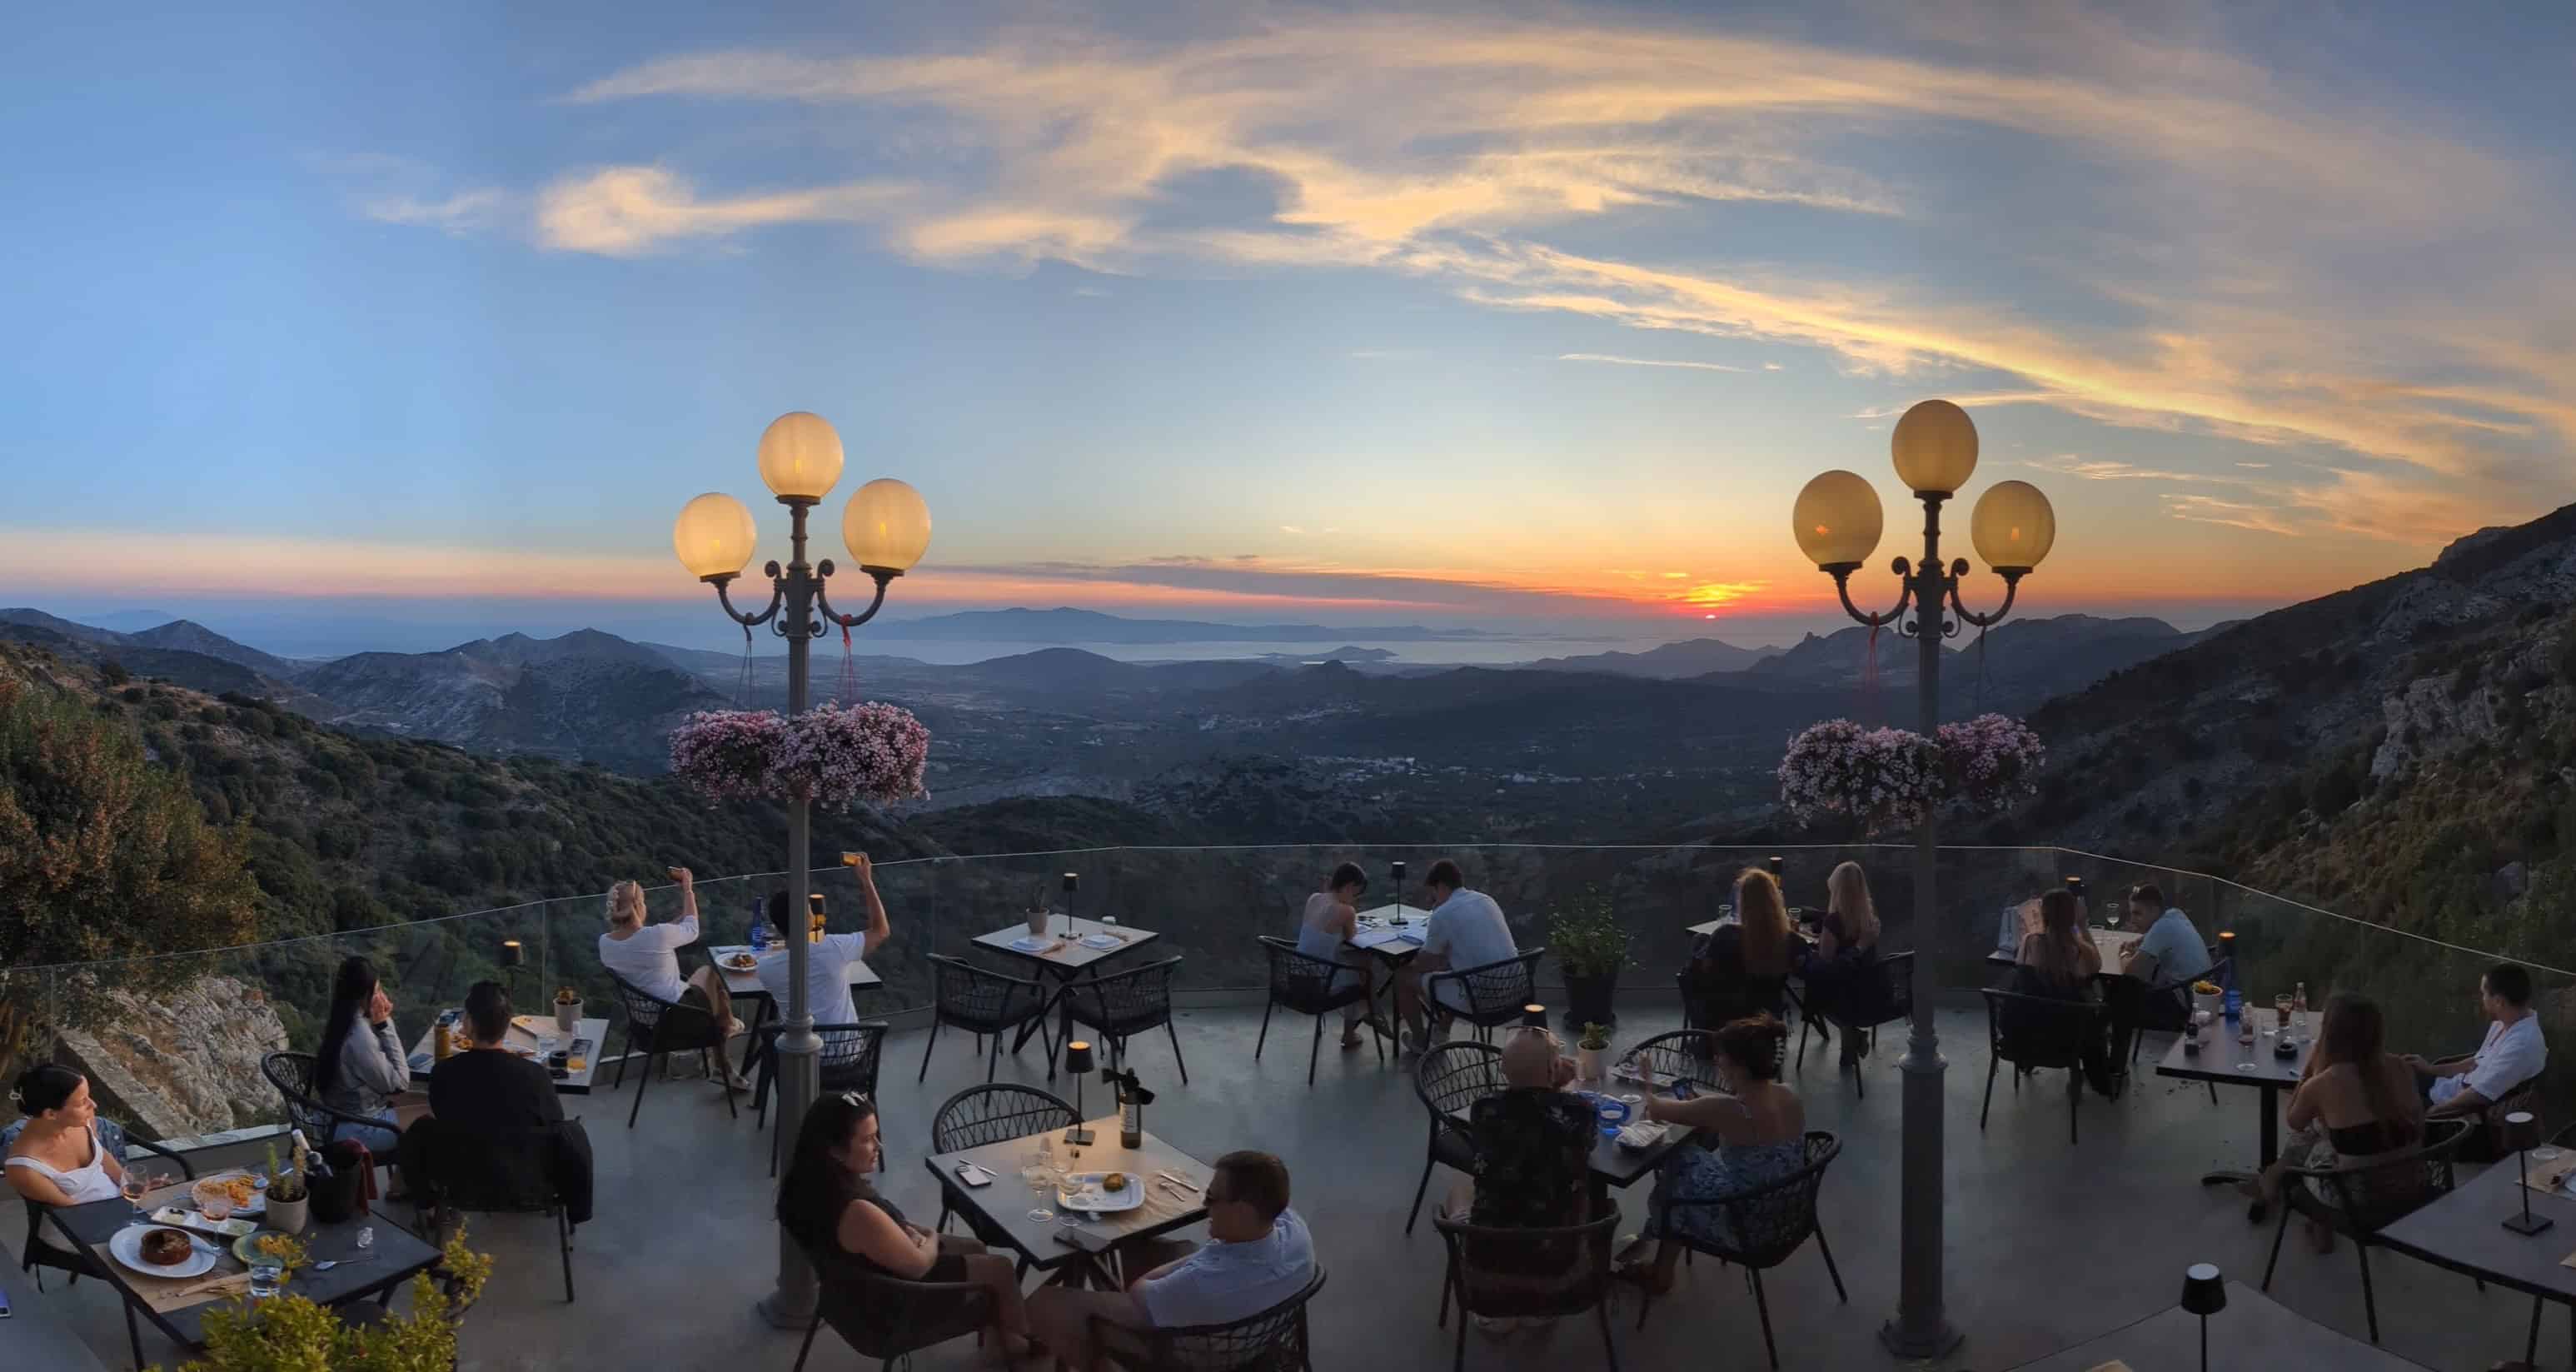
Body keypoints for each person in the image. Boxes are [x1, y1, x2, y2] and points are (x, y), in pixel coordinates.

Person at [775, 1092, 1035, 1366]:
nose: (879, 1145)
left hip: (845, 1295)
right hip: (890, 1311)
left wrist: (907, 1232)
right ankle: (1020, 1347)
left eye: (876, 1134)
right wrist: (931, 1237)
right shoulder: (855, 1212)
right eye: (867, 1139)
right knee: (1001, 1269)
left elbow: (877, 1235)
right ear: (835, 1150)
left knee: (975, 1248)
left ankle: (1001, 1335)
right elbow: (919, 1266)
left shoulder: (810, 1187)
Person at [1026, 1150, 1314, 1372]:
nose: (1205, 1205)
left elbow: (1140, 1289)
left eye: (1212, 1198)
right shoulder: (1296, 1234)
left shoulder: (1201, 1283)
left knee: (1046, 1304)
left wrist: (1189, 1263)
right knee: (1141, 1243)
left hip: (1192, 1351)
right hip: (1252, 1335)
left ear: (1242, 1210)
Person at [1619, 1015, 1806, 1293]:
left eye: (1721, 1057)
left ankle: (1660, 1266)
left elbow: (1655, 1109)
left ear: (1739, 1066)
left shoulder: (1728, 1109)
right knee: (1687, 1161)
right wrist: (1703, 1109)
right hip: (1788, 1210)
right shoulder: (1789, 1093)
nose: (1717, 1061)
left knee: (1678, 1163)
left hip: (1747, 1225)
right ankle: (1658, 1245)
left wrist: (1646, 1077)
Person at [2242, 995, 2420, 1249]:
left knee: (2306, 1135)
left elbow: (2294, 1120)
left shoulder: (2324, 1083)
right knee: (2328, 1131)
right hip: (2412, 1187)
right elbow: (2420, 1127)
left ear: (2329, 1034)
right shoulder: (2401, 1066)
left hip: (2356, 1200)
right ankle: (2275, 1182)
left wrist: (2309, 1071)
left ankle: (2275, 1184)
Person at [1447, 1026, 1594, 1336]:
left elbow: (1523, 1121)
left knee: (1460, 1185)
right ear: (1554, 1069)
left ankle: (1500, 1310)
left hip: (1490, 1259)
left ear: (1503, 1069)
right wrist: (1557, 1085)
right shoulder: (1581, 1112)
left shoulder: (1484, 1109)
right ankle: (1540, 1307)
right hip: (1557, 1263)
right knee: (1583, 1191)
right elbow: (1568, 1135)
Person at [411, 980, 595, 1226]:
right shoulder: (535, 1076)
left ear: (467, 1023)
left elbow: (442, 1113)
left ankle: (430, 1206)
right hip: (527, 1183)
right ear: (508, 1025)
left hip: (463, 1182)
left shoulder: (444, 1073)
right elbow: (552, 1124)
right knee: (570, 1131)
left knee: (421, 1129)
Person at [598, 866, 749, 1090]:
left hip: (644, 1022)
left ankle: (722, 1060)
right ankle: (726, 1027)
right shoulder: (657, 936)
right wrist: (688, 889)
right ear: (640, 907)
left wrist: (675, 920)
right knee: (713, 974)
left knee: (708, 979)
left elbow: (657, 935)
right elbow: (692, 929)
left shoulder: (605, 943)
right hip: (675, 1018)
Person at [755, 852, 896, 1031]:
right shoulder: (836, 948)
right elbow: (881, 931)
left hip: (795, 1055)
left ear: (776, 926)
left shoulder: (765, 969)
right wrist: (866, 880)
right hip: (847, 1053)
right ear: (809, 919)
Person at [1396, 860, 1518, 1053]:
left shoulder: (1443, 913)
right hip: (1515, 990)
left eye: (1433, 894)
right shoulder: (1487, 900)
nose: (1433, 901)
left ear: (1441, 886)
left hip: (1480, 998)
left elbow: (1424, 962)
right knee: (1454, 968)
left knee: (1403, 976)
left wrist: (1422, 961)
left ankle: (1420, 1042)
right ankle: (1441, 1031)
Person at [2005, 889, 2117, 1097]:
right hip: (2069, 1037)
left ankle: (2028, 1062)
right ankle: (2103, 1076)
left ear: (2043, 914)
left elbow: (2021, 971)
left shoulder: (2030, 943)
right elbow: (2097, 966)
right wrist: (2083, 926)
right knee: (2105, 1007)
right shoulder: (2081, 952)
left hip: (2029, 1032)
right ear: (2073, 916)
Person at [312, 955, 423, 1156]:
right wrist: (385, 1024)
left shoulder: (339, 1021)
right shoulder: (359, 1036)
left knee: (433, 1100)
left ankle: (403, 1179)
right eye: (378, 990)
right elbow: (399, 1084)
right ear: (365, 994)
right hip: (357, 1129)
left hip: (335, 1117)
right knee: (434, 1116)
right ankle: (410, 1183)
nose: (382, 995)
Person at [2408, 962, 2546, 1120]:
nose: (2482, 999)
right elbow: (2476, 1062)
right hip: (2448, 1087)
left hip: (2454, 1108)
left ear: (2499, 1001)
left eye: (2484, 994)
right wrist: (2430, 1069)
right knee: (2399, 1070)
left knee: (2387, 1098)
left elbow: (2479, 1095)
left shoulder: (2522, 1045)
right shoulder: (2504, 1022)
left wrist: (2433, 1112)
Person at [1683, 868, 1793, 1031]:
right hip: (1766, 1018)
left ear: (1742, 901)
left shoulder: (1726, 935)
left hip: (1724, 1017)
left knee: (1698, 943)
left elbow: (1704, 972)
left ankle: (1700, 1036)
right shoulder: (1788, 939)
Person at [4, 1065, 127, 1206]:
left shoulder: (83, 1120)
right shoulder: (23, 1169)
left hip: (120, 1202)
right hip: (83, 1220)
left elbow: (103, 1157)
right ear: (51, 1114)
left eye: (88, 1096)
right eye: (82, 1102)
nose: (93, 1105)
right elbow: (71, 1212)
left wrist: (133, 1186)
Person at [1797, 861, 1880, 1067]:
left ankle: (1851, 1033)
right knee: (1842, 980)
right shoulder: (1870, 918)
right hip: (1870, 991)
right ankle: (1851, 1037)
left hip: (1844, 997)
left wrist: (1809, 950)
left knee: (1810, 975)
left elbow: (1826, 966)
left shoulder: (1834, 922)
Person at [1294, 861, 1383, 1049]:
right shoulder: (1346, 910)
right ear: (1351, 886)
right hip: (1320, 985)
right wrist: (1351, 912)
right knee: (1362, 974)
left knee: (1355, 964)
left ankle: (1370, 1014)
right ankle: (1354, 1028)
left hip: (1297, 977)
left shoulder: (1314, 898)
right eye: (1357, 893)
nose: (1356, 898)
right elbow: (1351, 936)